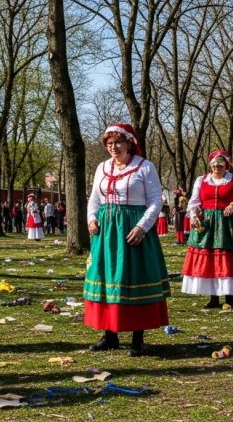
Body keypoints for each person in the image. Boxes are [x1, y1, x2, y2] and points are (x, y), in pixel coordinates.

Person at [84, 123, 169, 356]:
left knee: (134, 279)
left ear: (129, 143)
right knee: (107, 278)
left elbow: (155, 201)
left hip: (133, 230)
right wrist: (91, 219)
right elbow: (94, 199)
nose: (114, 147)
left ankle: (137, 339)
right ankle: (110, 335)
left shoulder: (145, 167)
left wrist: (142, 227)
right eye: (109, 144)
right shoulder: (102, 167)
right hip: (107, 231)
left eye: (118, 143)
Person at [182, 149, 233, 309]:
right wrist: (194, 215)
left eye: (220, 165)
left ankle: (230, 296)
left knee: (227, 258)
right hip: (206, 224)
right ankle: (213, 297)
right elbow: (194, 201)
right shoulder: (201, 180)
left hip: (227, 224)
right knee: (209, 259)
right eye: (214, 165)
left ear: (226, 165)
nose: (217, 167)